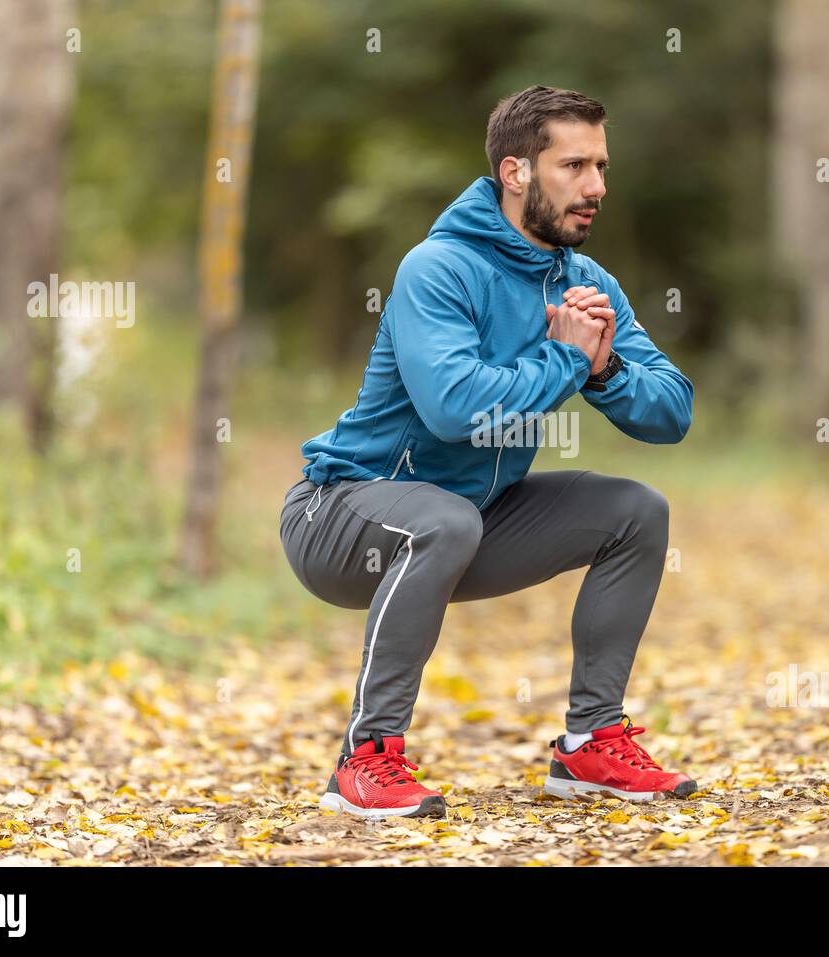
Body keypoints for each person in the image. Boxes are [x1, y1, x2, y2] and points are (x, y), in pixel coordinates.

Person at [280, 85, 697, 818]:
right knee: (443, 519)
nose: (596, 186)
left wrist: (605, 368)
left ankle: (590, 742)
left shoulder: (585, 282)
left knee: (636, 511)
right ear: (516, 172)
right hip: (337, 516)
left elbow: (672, 412)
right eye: (573, 165)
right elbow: (455, 410)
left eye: (601, 166)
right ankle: (366, 756)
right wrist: (566, 360)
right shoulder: (438, 268)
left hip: (471, 517)